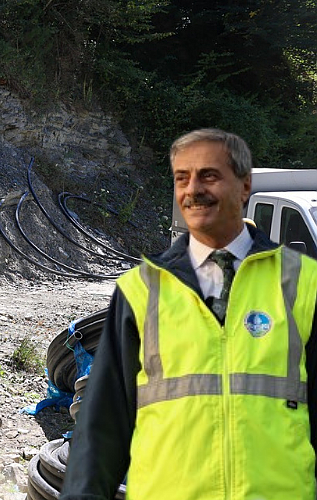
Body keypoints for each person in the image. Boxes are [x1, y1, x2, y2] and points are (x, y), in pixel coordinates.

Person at [61, 128, 317, 499]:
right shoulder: (142, 290)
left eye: (209, 176)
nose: (194, 190)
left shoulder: (303, 285)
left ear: (245, 187)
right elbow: (102, 427)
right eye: (183, 177)